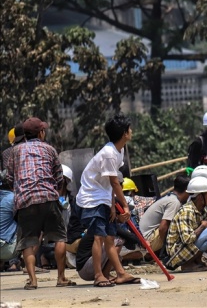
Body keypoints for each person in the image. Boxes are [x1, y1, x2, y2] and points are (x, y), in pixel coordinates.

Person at [6, 117, 74, 289]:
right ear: (40, 133)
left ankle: (33, 281)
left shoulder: (15, 151)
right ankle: (61, 278)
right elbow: (59, 177)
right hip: (48, 198)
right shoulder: (50, 149)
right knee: (59, 237)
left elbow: (9, 178)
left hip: (25, 201)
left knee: (28, 241)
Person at [76, 113, 140, 286]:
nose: (131, 131)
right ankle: (98, 276)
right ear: (124, 133)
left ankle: (120, 273)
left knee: (110, 238)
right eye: (129, 129)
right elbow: (114, 182)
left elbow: (110, 184)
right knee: (99, 237)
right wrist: (125, 206)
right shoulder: (109, 153)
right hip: (91, 199)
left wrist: (113, 206)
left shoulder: (118, 152)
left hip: (103, 198)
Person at [165, 177, 207, 272]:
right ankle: (187, 265)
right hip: (177, 253)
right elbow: (187, 239)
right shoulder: (187, 211)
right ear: (200, 197)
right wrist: (203, 226)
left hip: (185, 249)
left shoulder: (201, 211)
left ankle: (196, 261)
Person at [139, 175, 190, 253]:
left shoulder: (170, 197)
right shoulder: (174, 202)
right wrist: (166, 249)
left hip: (142, 237)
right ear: (187, 190)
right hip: (147, 240)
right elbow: (163, 228)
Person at [0, 124, 25, 272]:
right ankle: (15, 262)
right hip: (21, 192)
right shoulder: (26, 148)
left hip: (11, 191)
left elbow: (6, 174)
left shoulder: (6, 152)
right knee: (21, 225)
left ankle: (5, 263)